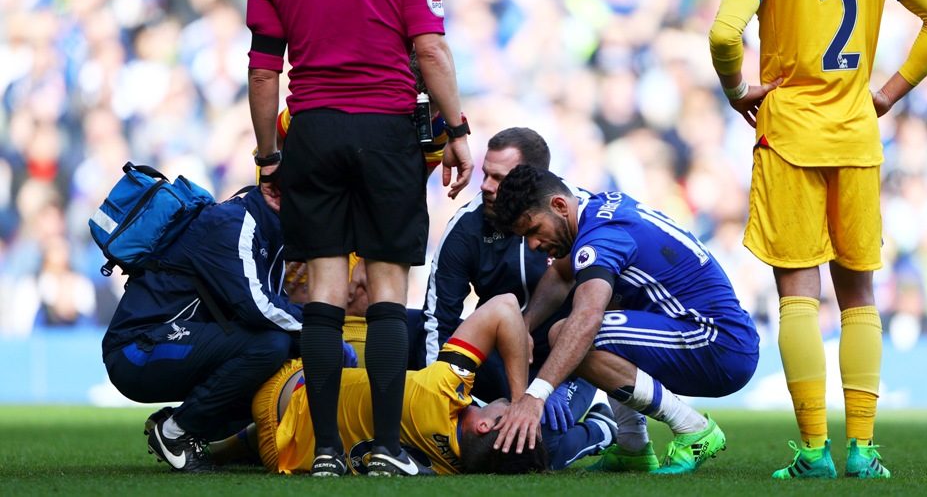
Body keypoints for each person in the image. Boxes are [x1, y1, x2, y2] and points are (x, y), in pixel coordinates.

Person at [708, 0, 927, 480]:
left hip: (789, 139)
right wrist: (887, 93)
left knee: (798, 293)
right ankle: (863, 451)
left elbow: (722, 33)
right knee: (859, 295)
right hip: (855, 137)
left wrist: (738, 90)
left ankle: (815, 451)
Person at [245, 0, 473, 477]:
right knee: (387, 289)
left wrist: (269, 156)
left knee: (320, 289)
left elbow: (264, 74)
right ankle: (387, 449)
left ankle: (322, 451)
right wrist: (456, 128)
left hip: (312, 131)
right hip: (387, 133)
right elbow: (429, 49)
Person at [490, 165, 760, 475]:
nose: (534, 244)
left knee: (575, 330)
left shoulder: (600, 237)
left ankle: (694, 428)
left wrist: (535, 395)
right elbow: (562, 275)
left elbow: (587, 318)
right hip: (718, 336)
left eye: (534, 230)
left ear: (560, 206)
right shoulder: (599, 210)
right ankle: (633, 446)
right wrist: (524, 325)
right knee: (585, 327)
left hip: (718, 344)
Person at [245, 293, 614, 474]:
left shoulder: (438, 394)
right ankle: (602, 427)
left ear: (486, 424)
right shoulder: (454, 467)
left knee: (328, 340)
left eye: (508, 413)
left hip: (282, 390)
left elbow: (504, 307)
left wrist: (524, 398)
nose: (506, 404)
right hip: (282, 456)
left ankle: (216, 432)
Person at [103, 186, 304, 473]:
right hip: (135, 349)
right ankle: (176, 432)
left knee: (279, 349)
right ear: (277, 194)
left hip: (162, 342)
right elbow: (257, 308)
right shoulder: (234, 223)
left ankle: (190, 424)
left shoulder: (270, 233)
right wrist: (324, 327)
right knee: (270, 346)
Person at [413, 127, 575, 399]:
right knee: (406, 324)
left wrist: (555, 383)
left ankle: (600, 421)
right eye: (485, 174)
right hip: (502, 357)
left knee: (545, 437)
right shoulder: (466, 228)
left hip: (566, 357)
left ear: (530, 180)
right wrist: (439, 401)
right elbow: (438, 321)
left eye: (498, 178)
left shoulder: (570, 213)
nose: (485, 186)